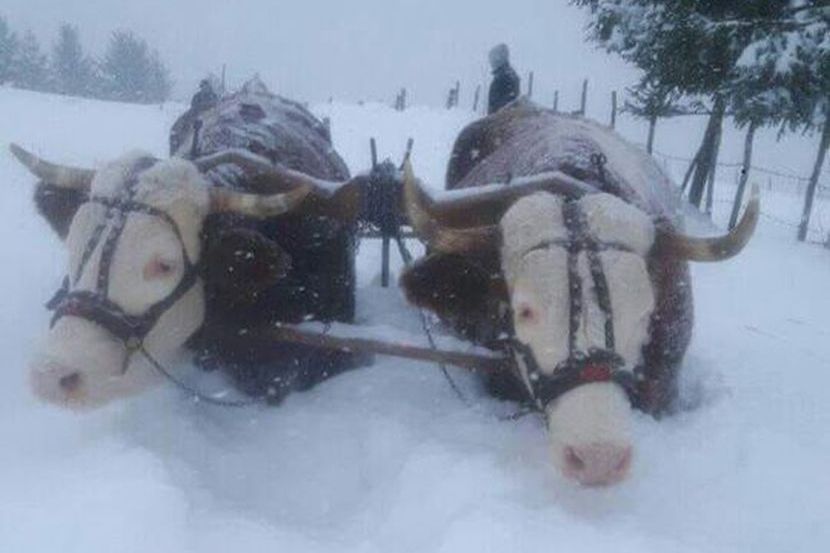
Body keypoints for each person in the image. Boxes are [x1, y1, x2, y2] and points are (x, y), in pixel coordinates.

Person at [487, 44, 521, 114]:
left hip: (501, 121)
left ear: (498, 58)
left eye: (492, 59)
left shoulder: (504, 77)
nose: (491, 62)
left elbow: (506, 105)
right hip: (502, 120)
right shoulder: (507, 75)